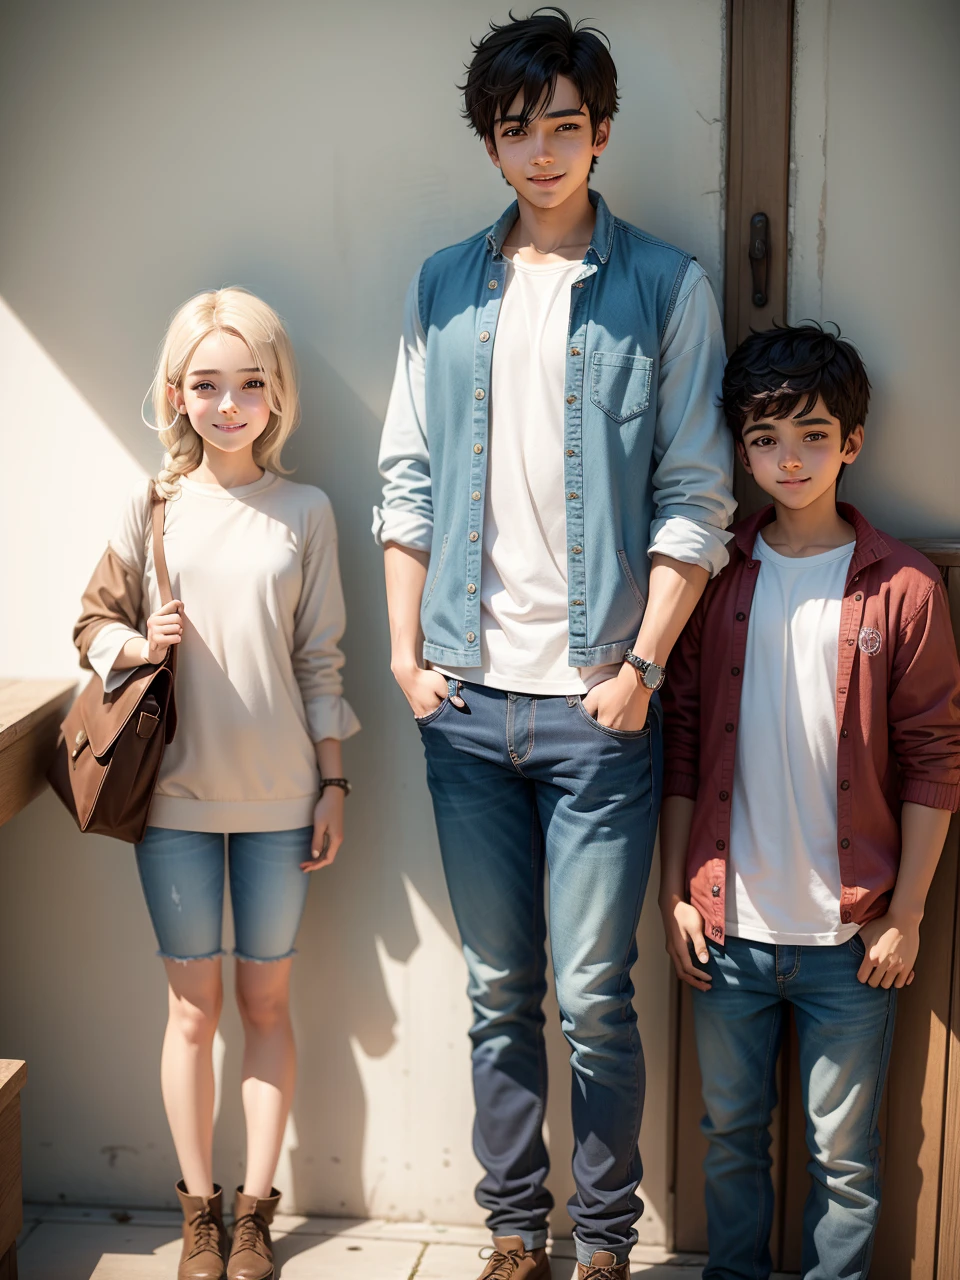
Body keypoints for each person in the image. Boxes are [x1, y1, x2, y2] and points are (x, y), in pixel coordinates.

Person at [374, 9, 735, 1277]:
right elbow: (407, 479)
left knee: (592, 993)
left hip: (598, 709)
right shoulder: (441, 286)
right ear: (492, 141)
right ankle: (516, 1229)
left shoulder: (666, 287)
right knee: (493, 989)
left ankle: (607, 1239)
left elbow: (698, 495)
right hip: (465, 700)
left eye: (564, 127)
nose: (542, 152)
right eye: (517, 130)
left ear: (602, 132)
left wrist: (639, 670)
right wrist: (410, 661)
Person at [659, 323, 960, 1280]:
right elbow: (683, 741)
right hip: (729, 934)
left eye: (814, 436)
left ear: (853, 443)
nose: (789, 461)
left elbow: (933, 757)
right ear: (741, 448)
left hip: (851, 946)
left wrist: (906, 914)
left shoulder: (903, 587)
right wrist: (677, 891)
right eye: (764, 440)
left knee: (847, 1162)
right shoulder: (716, 577)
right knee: (731, 1140)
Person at [74, 288, 360, 1280]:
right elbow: (89, 625)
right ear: (176, 394)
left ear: (276, 394)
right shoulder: (149, 503)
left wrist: (334, 785)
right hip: (173, 805)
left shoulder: (307, 510)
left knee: (267, 1004)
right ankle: (198, 1209)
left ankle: (254, 1214)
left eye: (249, 383)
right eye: (207, 384)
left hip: (284, 801)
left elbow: (323, 660)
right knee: (191, 1012)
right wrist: (132, 642)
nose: (228, 403)